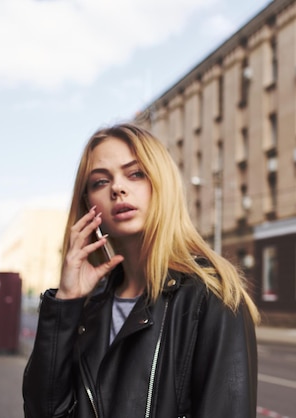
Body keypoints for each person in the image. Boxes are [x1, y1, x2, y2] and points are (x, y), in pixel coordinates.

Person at [22, 123, 260, 418]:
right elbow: (43, 412)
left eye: (135, 174)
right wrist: (66, 301)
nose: (118, 188)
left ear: (161, 185)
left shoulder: (212, 294)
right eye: (99, 182)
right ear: (88, 205)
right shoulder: (87, 305)